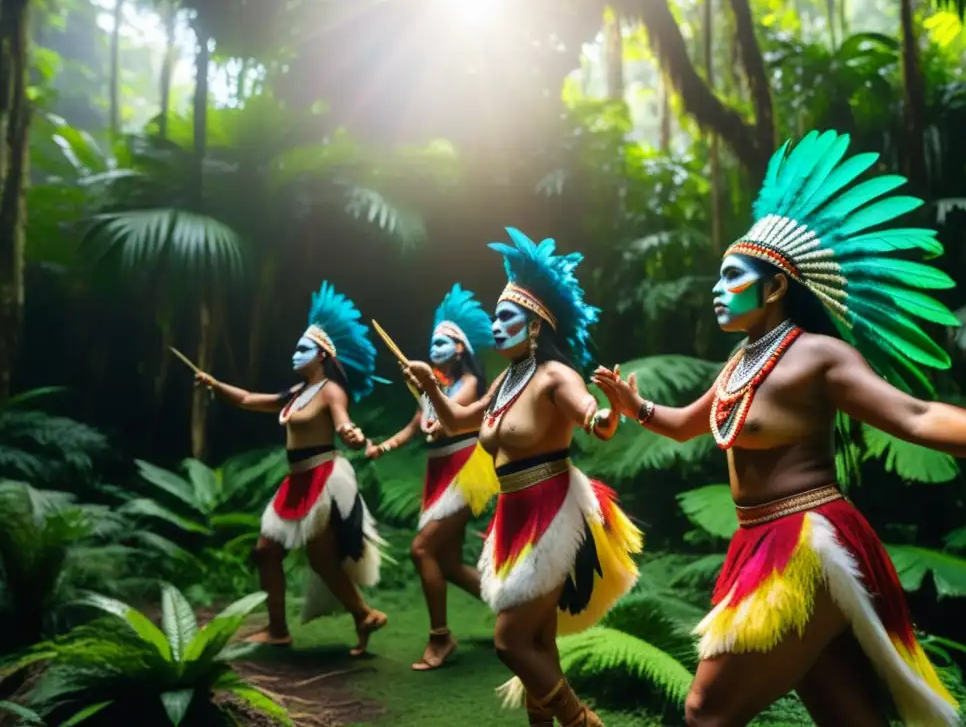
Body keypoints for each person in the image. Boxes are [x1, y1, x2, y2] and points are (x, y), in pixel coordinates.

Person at [589, 129, 966, 726]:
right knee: (850, 717)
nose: (716, 290)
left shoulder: (817, 355)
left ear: (777, 285)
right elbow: (687, 427)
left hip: (804, 542)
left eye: (731, 277)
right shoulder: (742, 362)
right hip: (758, 540)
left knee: (706, 710)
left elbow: (913, 415)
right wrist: (636, 406)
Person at [401, 228, 643, 727]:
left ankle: (583, 723)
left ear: (535, 327)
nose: (495, 323)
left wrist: (610, 412)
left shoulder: (556, 377)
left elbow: (592, 419)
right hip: (513, 515)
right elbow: (455, 422)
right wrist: (429, 386)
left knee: (510, 642)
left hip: (552, 509)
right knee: (538, 639)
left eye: (506, 316)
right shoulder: (505, 381)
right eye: (493, 315)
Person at [194, 281, 388, 655]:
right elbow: (250, 399)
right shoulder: (296, 394)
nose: (294, 354)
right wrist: (214, 384)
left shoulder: (331, 390)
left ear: (322, 355)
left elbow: (343, 420)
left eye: (303, 349)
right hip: (296, 480)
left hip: (323, 477)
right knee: (267, 551)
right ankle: (280, 628)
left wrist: (349, 433)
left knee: (321, 557)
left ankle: (362, 613)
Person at [365, 283, 499, 671]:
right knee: (451, 564)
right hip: (438, 474)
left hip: (464, 473)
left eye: (442, 343)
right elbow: (415, 426)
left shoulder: (468, 384)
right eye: (431, 343)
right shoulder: (433, 388)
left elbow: (447, 419)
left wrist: (428, 391)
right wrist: (383, 447)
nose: (434, 349)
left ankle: (441, 637)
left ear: (460, 350)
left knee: (421, 549)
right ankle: (515, 609)